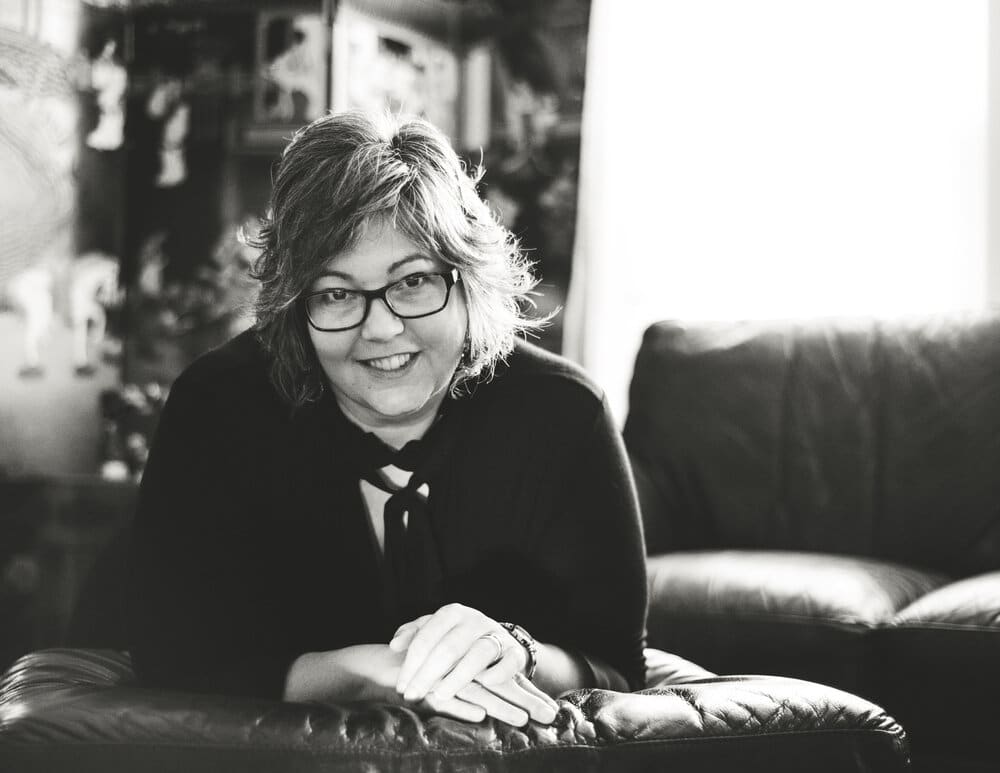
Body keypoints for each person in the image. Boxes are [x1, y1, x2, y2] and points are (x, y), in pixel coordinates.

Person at [127, 110, 648, 727]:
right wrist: (375, 672)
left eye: (415, 281)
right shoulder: (216, 408)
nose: (381, 329)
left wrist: (519, 653)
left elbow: (615, 663)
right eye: (336, 293)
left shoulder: (564, 413)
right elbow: (173, 657)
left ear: (470, 281)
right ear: (296, 311)